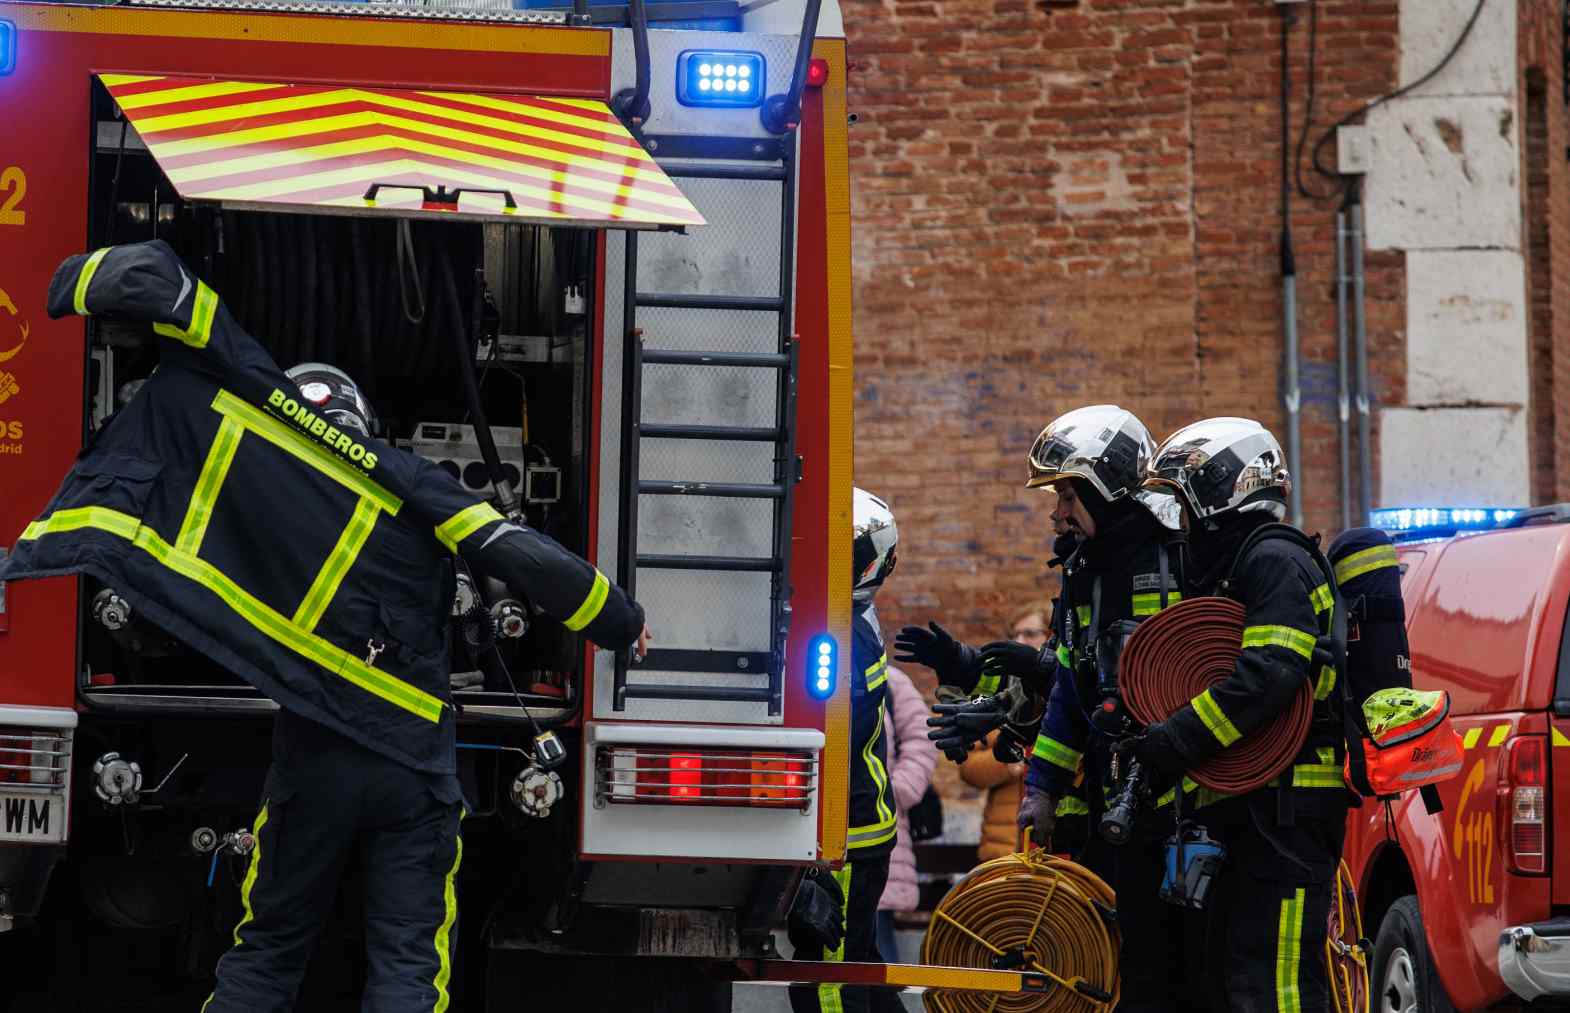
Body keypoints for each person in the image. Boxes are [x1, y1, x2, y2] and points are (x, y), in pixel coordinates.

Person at [2, 241, 649, 1012]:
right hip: (413, 763)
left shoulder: (268, 469)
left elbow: (203, 337)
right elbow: (516, 551)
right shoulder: (405, 478)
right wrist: (618, 618)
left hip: (313, 757)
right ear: (362, 419)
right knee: (408, 966)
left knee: (269, 950)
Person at [1132, 416, 1350, 1013]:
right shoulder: (1238, 564)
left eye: (1183, 498)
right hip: (1255, 810)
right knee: (1232, 979)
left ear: (1220, 489)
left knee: (1274, 983)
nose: (1180, 518)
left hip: (1288, 812)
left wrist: (1177, 738)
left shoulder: (1274, 559)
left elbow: (1269, 674)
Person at [790, 488, 900, 1013]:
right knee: (856, 958)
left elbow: (838, 741)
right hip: (857, 828)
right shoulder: (854, 621)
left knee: (831, 978)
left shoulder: (842, 633)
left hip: (848, 832)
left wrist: (818, 861)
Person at [956, 600, 1051, 864]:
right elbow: (969, 768)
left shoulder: (1062, 696)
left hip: (1051, 845)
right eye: (1015, 635)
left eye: (1030, 634)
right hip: (1003, 847)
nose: (1020, 641)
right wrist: (1008, 765)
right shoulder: (999, 697)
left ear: (1049, 637)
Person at [875, 663, 937, 964]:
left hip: (882, 827)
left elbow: (921, 739)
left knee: (877, 946)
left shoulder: (890, 682)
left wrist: (896, 791)